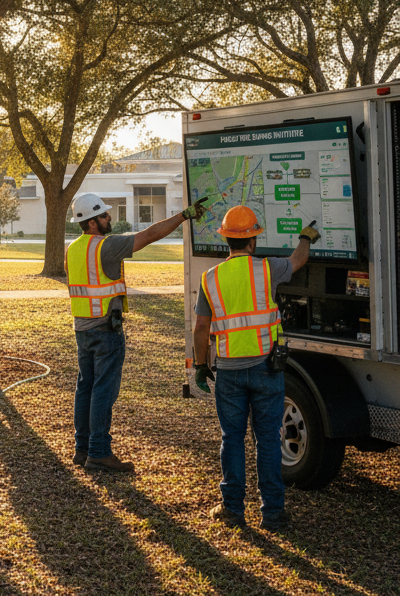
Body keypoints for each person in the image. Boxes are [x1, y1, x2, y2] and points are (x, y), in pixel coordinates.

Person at [192, 205, 318, 531]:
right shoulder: (267, 269)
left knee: (231, 440)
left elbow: (201, 329)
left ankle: (232, 510)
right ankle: (273, 514)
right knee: (267, 441)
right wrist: (305, 237)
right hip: (266, 368)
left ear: (226, 241)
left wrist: (201, 367)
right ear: (252, 241)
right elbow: (298, 260)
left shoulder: (210, 278)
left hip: (229, 372)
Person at [66, 191, 210, 472]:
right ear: (92, 223)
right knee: (103, 391)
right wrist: (184, 215)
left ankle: (82, 449)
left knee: (85, 388)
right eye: (105, 215)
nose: (110, 218)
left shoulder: (73, 248)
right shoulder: (105, 246)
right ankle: (98, 452)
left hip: (82, 328)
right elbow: (150, 234)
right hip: (105, 330)